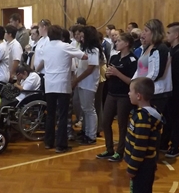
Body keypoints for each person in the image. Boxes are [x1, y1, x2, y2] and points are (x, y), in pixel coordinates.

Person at [115, 77, 163, 193]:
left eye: (131, 91)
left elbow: (140, 147)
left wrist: (132, 168)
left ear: (139, 96)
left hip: (142, 166)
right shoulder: (147, 113)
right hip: (146, 165)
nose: (128, 94)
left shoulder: (143, 118)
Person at [42, 25, 87, 153]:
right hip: (62, 84)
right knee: (62, 115)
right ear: (61, 35)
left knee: (50, 114)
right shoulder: (65, 46)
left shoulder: (45, 47)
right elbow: (84, 56)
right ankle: (61, 144)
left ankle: (48, 142)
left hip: (49, 84)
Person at [97, 32, 138, 162]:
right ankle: (109, 149)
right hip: (111, 93)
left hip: (124, 96)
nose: (116, 42)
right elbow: (109, 73)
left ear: (126, 44)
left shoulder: (132, 60)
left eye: (119, 41)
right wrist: (109, 74)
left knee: (122, 124)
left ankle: (120, 152)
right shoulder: (114, 57)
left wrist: (117, 73)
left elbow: (132, 81)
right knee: (105, 122)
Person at [131, 19, 173, 114]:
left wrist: (140, 85)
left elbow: (156, 73)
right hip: (145, 89)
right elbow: (140, 68)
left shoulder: (160, 48)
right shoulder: (147, 47)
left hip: (156, 92)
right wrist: (133, 82)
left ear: (154, 32)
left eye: (146, 30)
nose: (143, 33)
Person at [160, 22, 179, 158]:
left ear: (176, 35)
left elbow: (175, 75)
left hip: (175, 91)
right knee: (167, 117)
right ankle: (164, 142)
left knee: (174, 118)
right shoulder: (172, 50)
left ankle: (175, 145)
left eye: (169, 33)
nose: (167, 35)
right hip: (168, 90)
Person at [73, 25, 101, 146]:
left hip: (89, 83)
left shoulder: (94, 50)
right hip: (82, 83)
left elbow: (90, 69)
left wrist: (76, 80)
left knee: (89, 109)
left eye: (83, 36)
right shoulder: (85, 49)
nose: (81, 38)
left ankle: (91, 135)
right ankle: (85, 131)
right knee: (84, 109)